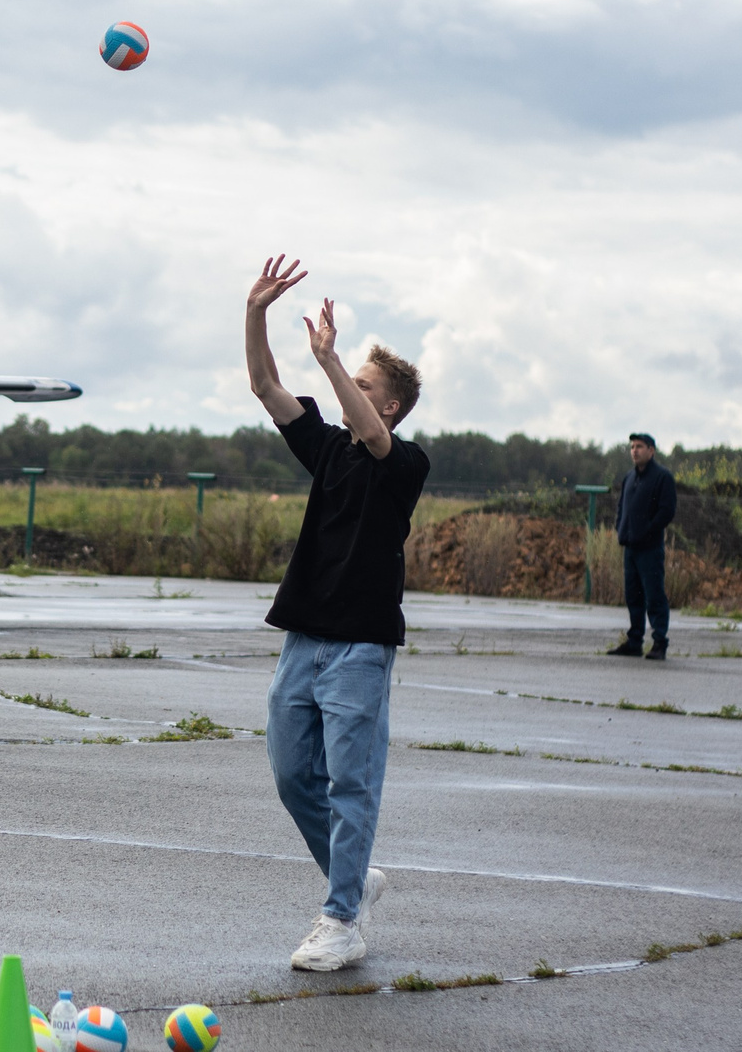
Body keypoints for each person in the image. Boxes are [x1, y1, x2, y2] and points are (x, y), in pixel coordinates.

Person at [243, 254, 429, 974]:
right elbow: (264, 385)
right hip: (304, 638)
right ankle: (355, 878)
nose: (351, 388)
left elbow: (376, 440)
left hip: (360, 647)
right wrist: (255, 312)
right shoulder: (327, 449)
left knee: (352, 782)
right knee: (293, 774)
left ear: (387, 404)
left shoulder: (405, 460)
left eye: (363, 385)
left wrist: (331, 361)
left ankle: (342, 916)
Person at [607, 433, 677, 661]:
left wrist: (647, 530)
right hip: (630, 547)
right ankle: (634, 641)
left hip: (650, 548)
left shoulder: (662, 477)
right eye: (632, 447)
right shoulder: (629, 478)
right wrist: (621, 529)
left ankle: (659, 643)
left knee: (654, 595)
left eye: (639, 447)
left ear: (651, 450)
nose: (634, 451)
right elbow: (622, 508)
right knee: (633, 596)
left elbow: (666, 511)